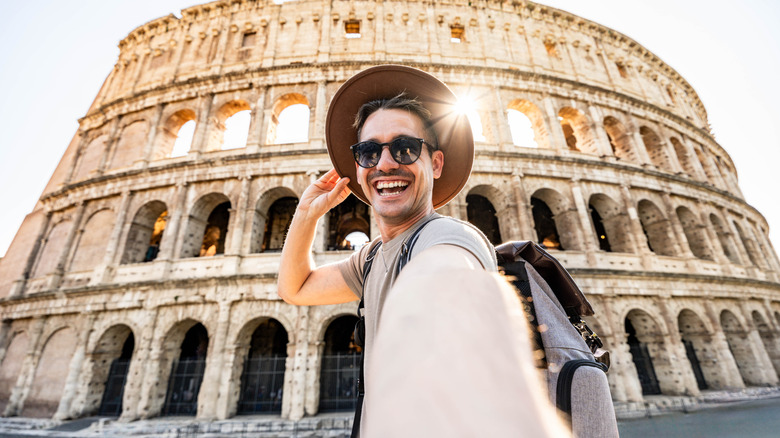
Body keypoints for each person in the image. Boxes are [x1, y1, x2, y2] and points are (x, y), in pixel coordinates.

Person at [278, 65, 567, 437]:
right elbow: (295, 289)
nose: (384, 163)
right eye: (368, 152)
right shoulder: (370, 258)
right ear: (357, 167)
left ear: (435, 162)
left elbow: (445, 286)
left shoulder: (449, 238)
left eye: (405, 148)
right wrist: (305, 214)